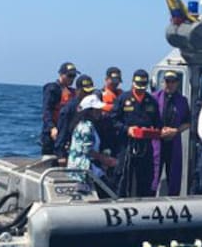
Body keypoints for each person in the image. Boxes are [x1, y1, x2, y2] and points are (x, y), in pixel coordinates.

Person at [116, 69, 161, 197]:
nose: (140, 89)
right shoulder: (123, 99)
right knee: (123, 177)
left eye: (143, 85)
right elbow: (113, 121)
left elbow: (158, 123)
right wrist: (127, 129)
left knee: (146, 177)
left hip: (145, 145)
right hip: (127, 144)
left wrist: (158, 131)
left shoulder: (151, 101)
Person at [152, 70, 192, 195]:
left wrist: (175, 130)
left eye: (173, 81)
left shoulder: (183, 101)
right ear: (163, 82)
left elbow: (188, 122)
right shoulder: (154, 98)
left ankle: (174, 199)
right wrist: (159, 130)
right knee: (153, 173)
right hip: (156, 141)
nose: (170, 84)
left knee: (174, 174)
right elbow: (147, 119)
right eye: (167, 81)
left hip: (174, 142)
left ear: (177, 83)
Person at [66, 94, 117, 185]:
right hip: (83, 168)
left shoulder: (84, 124)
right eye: (97, 110)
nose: (100, 111)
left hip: (83, 166)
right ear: (89, 111)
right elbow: (88, 150)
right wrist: (105, 160)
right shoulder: (86, 127)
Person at [53, 74, 98, 159]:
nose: (88, 94)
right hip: (73, 151)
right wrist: (61, 155)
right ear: (77, 91)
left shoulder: (93, 107)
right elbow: (62, 134)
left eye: (90, 92)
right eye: (85, 92)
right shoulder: (69, 109)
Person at [39, 62, 78, 155]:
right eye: (70, 75)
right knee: (50, 158)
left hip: (65, 133)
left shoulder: (72, 92)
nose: (72, 79)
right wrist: (52, 127)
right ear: (61, 74)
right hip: (52, 132)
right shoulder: (53, 89)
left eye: (74, 76)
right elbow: (46, 110)